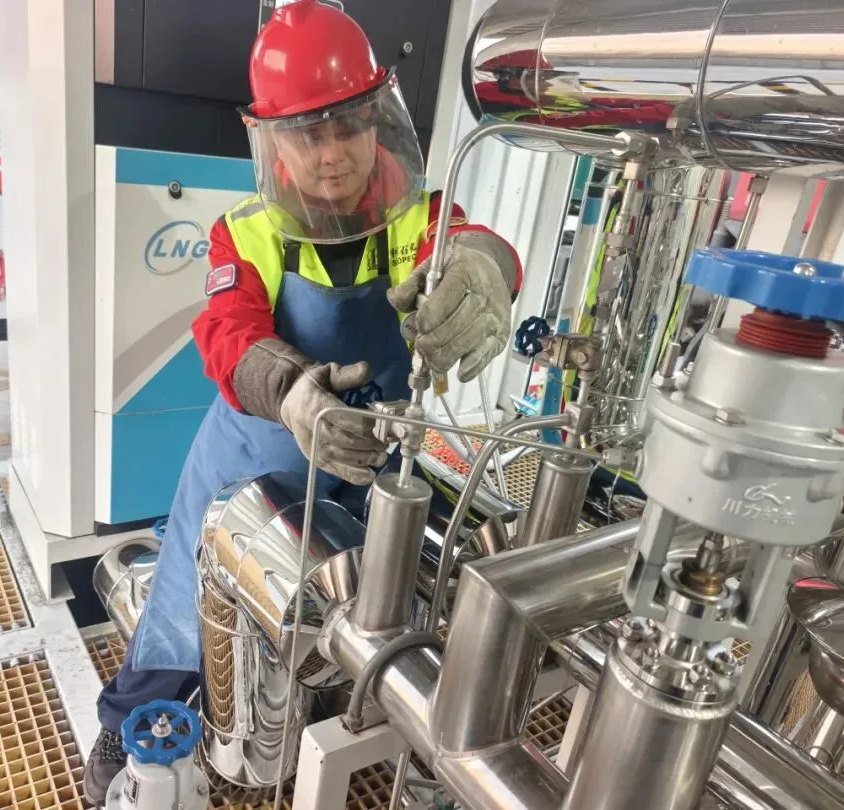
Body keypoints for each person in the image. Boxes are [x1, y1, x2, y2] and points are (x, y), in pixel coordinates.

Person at [84, 1, 522, 803]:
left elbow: (466, 243)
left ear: (377, 117)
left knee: (358, 613)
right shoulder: (247, 231)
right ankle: (132, 725)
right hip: (254, 456)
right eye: (305, 134)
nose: (330, 155)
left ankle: (333, 713)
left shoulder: (417, 217)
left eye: (347, 126)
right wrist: (292, 393)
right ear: (268, 138)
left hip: (367, 463)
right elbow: (226, 329)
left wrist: (486, 267)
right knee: (184, 611)